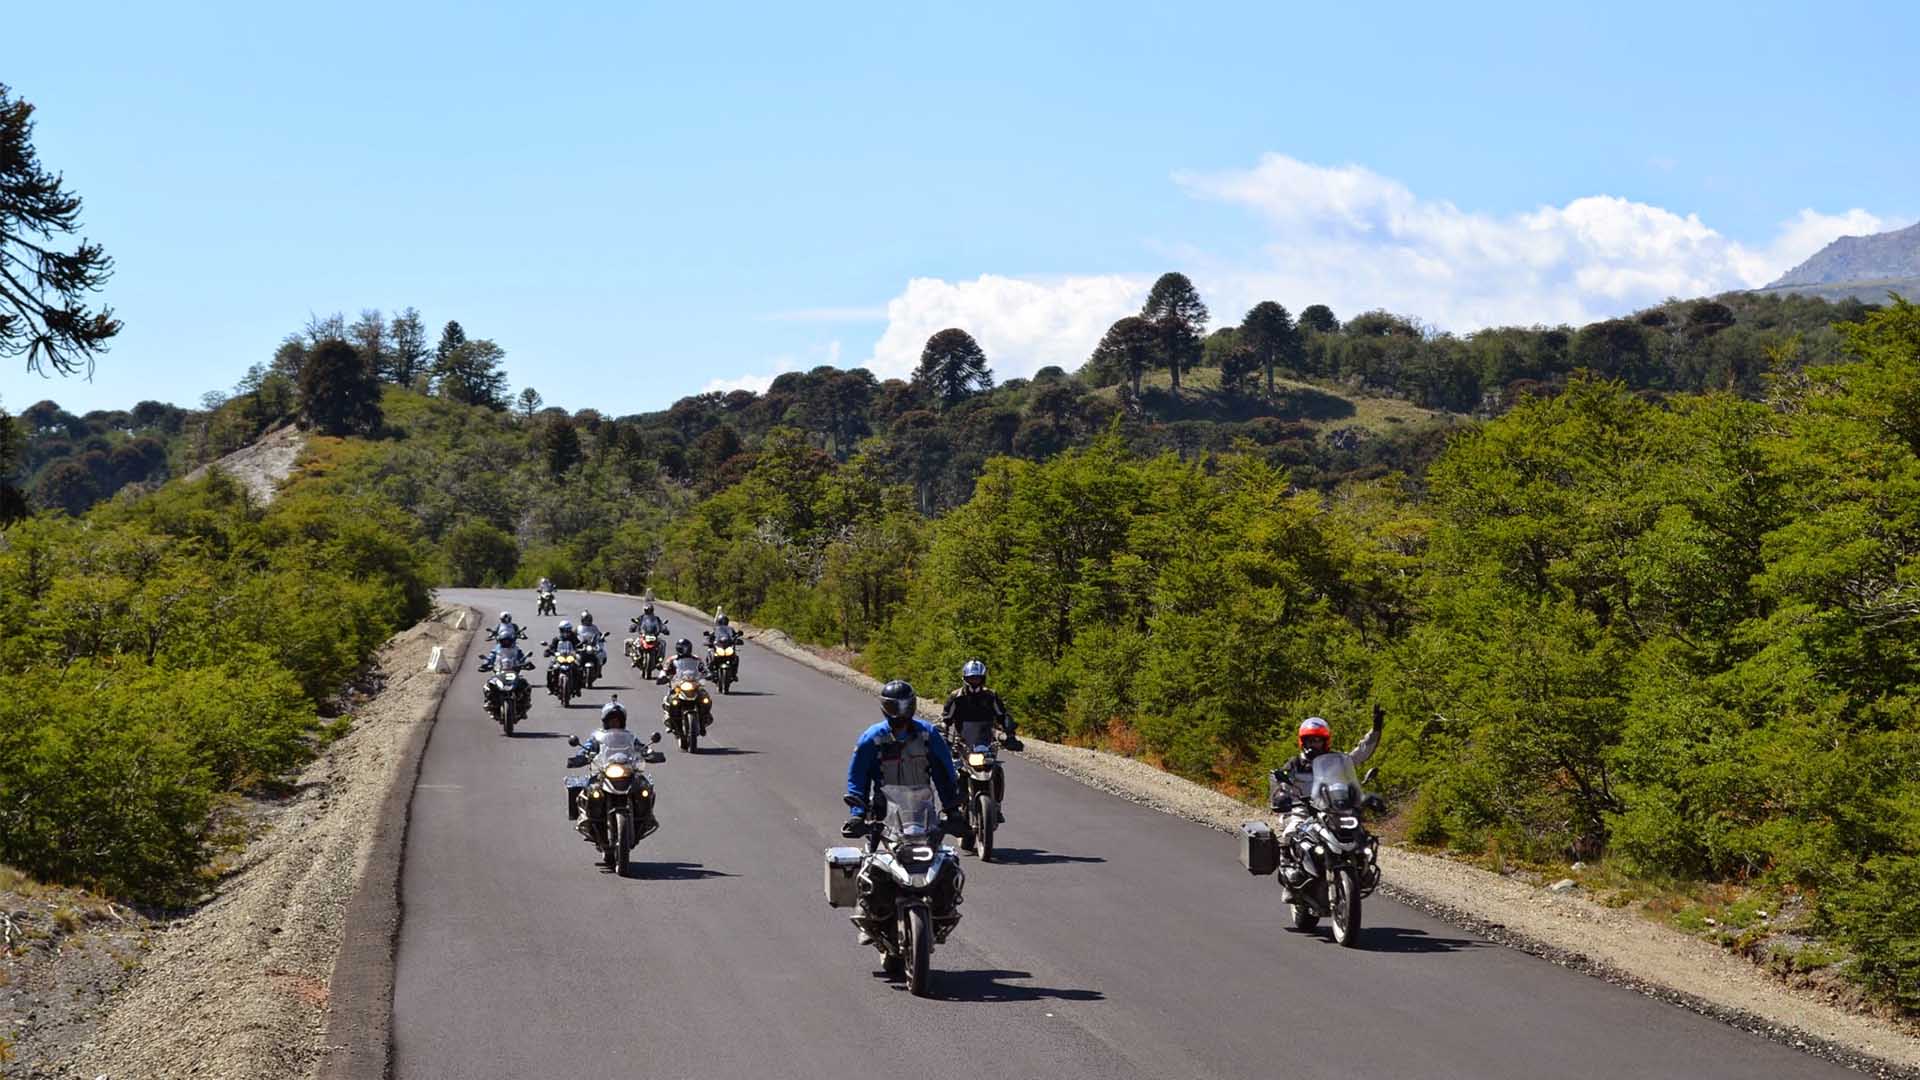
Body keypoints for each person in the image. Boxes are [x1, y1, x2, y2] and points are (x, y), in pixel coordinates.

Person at [1269, 706, 1384, 884]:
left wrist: (1376, 729)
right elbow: (1281, 784)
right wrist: (1282, 796)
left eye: (1317, 740)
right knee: (1291, 830)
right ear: (1302, 742)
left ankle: (1363, 867)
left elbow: (1360, 753)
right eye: (1310, 740)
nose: (1314, 744)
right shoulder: (1294, 764)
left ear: (1325, 742)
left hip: (1332, 808)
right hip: (1303, 810)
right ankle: (1288, 866)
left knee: (1359, 834)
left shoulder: (1336, 760)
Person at [843, 680, 967, 840]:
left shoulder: (928, 734)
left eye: (905, 706)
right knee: (872, 861)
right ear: (885, 707)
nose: (900, 712)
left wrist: (953, 810)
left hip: (923, 816)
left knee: (947, 861)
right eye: (894, 707)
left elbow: (944, 773)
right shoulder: (872, 738)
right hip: (883, 817)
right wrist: (857, 815)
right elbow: (858, 776)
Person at [941, 659, 1022, 811]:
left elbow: (1002, 716)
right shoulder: (956, 697)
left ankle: (996, 805)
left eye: (977, 678)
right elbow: (945, 719)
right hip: (962, 743)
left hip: (985, 742)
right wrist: (942, 736)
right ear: (965, 678)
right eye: (971, 678)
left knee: (996, 770)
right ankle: (952, 810)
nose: (974, 681)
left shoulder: (991, 696)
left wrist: (1010, 734)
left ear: (983, 678)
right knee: (952, 773)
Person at [655, 638, 713, 732]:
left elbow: (704, 669)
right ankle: (669, 719)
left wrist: (709, 674)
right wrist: (662, 677)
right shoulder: (672, 660)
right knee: (669, 700)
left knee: (705, 699)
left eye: (686, 648)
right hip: (677, 685)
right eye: (682, 648)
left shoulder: (696, 659)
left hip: (694, 684)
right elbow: (664, 670)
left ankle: (705, 718)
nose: (684, 650)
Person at [479, 631, 532, 717]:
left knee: (525, 685)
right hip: (500, 671)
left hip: (514, 672)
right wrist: (486, 663)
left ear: (512, 640)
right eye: (504, 641)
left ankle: (525, 704)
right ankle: (489, 702)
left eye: (508, 641)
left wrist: (526, 663)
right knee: (488, 685)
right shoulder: (496, 649)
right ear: (500, 641)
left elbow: (522, 658)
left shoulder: (516, 649)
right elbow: (490, 658)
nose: (506, 642)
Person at [545, 619, 581, 694]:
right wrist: (548, 651)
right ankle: (550, 687)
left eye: (567, 630)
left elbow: (579, 645)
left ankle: (578, 688)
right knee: (550, 669)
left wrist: (580, 649)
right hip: (558, 658)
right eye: (563, 630)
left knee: (578, 669)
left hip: (570, 657)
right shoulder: (556, 639)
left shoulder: (573, 638)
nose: (565, 632)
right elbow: (551, 647)